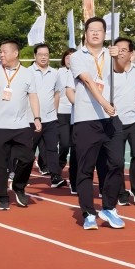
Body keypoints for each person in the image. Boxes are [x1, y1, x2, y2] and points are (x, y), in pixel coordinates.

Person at [70, 16, 125, 230]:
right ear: (85, 33)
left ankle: (109, 207)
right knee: (86, 168)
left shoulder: (110, 53)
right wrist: (104, 103)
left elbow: (120, 69)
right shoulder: (77, 56)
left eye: (99, 30)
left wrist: (117, 57)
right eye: (91, 30)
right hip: (86, 119)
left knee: (117, 162)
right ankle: (88, 213)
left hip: (110, 118)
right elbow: (88, 81)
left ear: (104, 34)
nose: (95, 33)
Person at [0, 39, 41, 210]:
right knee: (1, 163)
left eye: (4, 52)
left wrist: (37, 117)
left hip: (21, 125)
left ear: (15, 53)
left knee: (28, 158)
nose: (1, 55)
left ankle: (18, 186)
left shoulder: (27, 73)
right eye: (0, 52)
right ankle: (2, 197)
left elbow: (33, 96)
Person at [110, 38, 135, 206]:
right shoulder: (109, 71)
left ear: (131, 53)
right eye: (117, 49)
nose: (120, 52)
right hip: (115, 121)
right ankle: (121, 192)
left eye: (123, 49)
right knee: (118, 160)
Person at [29, 43, 67, 189]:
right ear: (35, 56)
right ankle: (21, 176)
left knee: (52, 148)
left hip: (50, 119)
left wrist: (54, 112)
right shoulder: (27, 72)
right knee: (29, 150)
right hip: (31, 119)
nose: (43, 57)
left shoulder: (55, 73)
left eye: (46, 55)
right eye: (40, 54)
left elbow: (57, 94)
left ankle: (55, 176)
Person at [56, 49, 76, 192]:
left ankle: (73, 175)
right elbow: (55, 93)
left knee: (76, 146)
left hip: (77, 113)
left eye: (72, 57)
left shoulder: (81, 72)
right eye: (67, 57)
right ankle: (58, 168)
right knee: (64, 144)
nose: (70, 60)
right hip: (62, 112)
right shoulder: (59, 73)